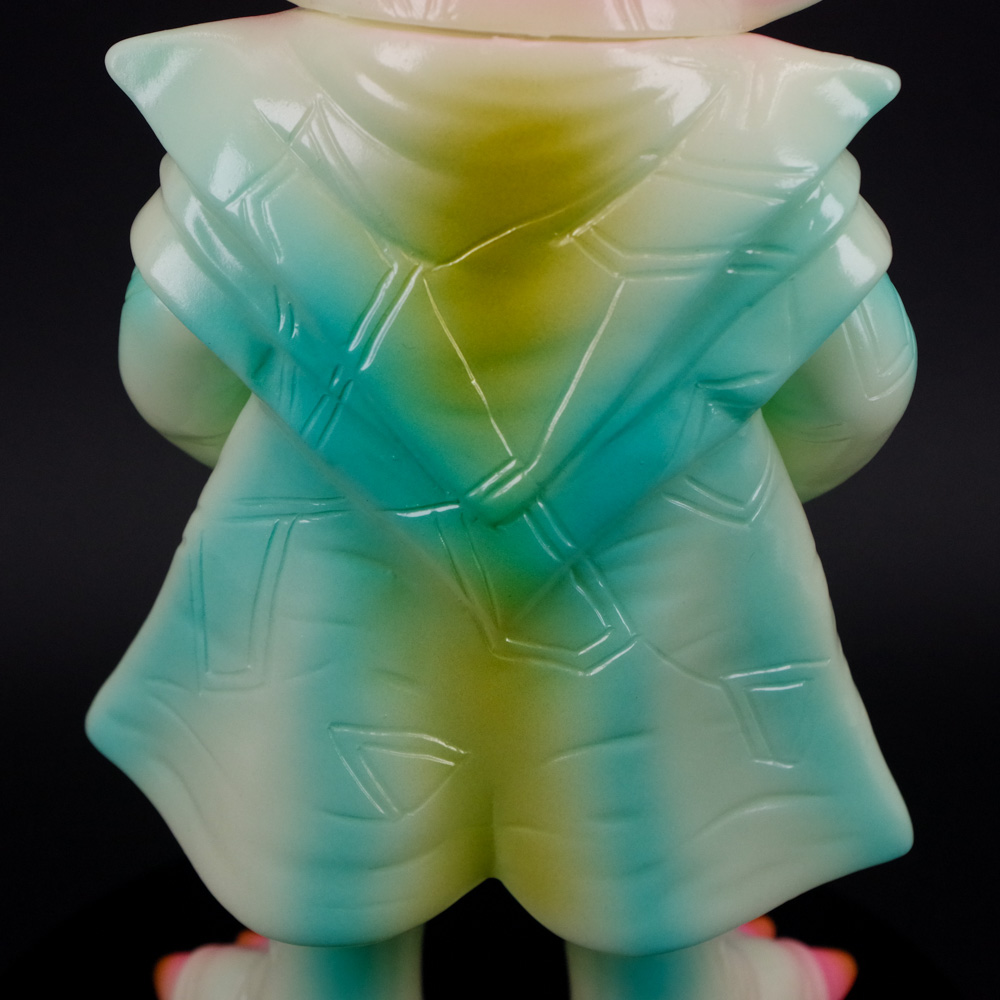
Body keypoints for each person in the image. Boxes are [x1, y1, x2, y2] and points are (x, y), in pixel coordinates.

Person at [90, 2, 916, 997]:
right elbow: (854, 398)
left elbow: (171, 377)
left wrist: (337, 451)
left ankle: (321, 984)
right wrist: (687, 458)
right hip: (663, 551)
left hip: (334, 544)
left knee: (333, 783)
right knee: (642, 793)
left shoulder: (251, 109)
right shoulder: (763, 126)